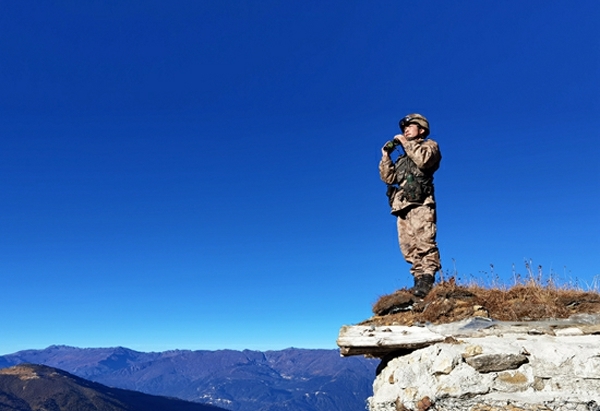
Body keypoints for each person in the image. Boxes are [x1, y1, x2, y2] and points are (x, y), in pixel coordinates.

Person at [379, 113, 442, 297]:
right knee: (408, 247)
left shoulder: (430, 146)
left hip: (421, 202)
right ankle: (418, 282)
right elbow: (388, 178)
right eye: (404, 128)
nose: (405, 130)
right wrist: (385, 156)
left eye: (410, 126)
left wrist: (406, 144)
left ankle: (427, 279)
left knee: (424, 241)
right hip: (402, 205)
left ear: (421, 130)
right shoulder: (403, 158)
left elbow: (423, 161)